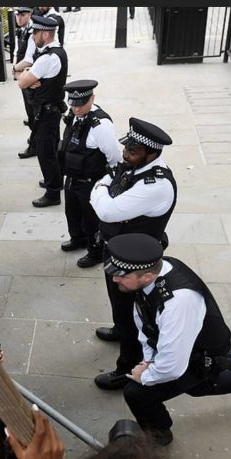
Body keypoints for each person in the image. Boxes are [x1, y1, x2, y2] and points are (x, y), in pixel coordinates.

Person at [104, 233, 231, 445]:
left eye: (121, 275)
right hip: (184, 349)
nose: (115, 279)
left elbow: (172, 367)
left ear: (147, 276)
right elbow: (142, 319)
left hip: (200, 356)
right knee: (200, 387)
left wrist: (145, 376)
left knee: (137, 392)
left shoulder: (178, 302)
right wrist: (149, 359)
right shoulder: (156, 271)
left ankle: (158, 433)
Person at [89, 118, 177, 391]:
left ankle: (127, 368)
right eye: (127, 147)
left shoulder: (154, 184)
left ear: (152, 154)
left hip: (134, 264)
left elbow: (106, 210)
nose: (125, 154)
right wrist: (105, 187)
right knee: (119, 304)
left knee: (132, 314)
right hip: (118, 250)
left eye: (133, 151)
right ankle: (120, 329)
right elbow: (111, 179)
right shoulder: (135, 167)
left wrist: (99, 189)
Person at [59, 80, 121, 269]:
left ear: (92, 98)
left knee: (91, 218)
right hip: (72, 177)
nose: (76, 108)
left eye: (81, 104)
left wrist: (108, 181)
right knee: (72, 211)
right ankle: (77, 238)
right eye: (73, 103)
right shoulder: (74, 114)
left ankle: (95, 251)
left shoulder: (100, 125)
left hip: (90, 181)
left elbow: (114, 156)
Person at [17, 15, 68, 208]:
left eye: (36, 33)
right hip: (51, 110)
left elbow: (21, 82)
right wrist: (30, 77)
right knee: (53, 148)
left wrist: (25, 75)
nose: (33, 37)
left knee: (45, 151)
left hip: (46, 112)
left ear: (45, 34)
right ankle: (55, 180)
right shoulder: (58, 51)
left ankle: (53, 192)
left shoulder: (47, 58)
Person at [11, 7, 36, 160]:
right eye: (17, 15)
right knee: (30, 111)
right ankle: (35, 138)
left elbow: (29, 59)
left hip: (29, 76)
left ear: (30, 15)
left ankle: (35, 144)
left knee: (33, 112)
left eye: (23, 14)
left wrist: (15, 68)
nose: (19, 18)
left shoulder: (32, 32)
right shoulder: (22, 30)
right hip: (23, 76)